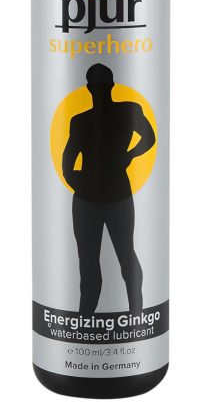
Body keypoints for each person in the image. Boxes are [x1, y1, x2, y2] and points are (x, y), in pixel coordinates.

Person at [62, 63, 156, 314]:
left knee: (110, 261)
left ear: (88, 88)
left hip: (108, 196)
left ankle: (126, 316)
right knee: (104, 262)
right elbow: (149, 137)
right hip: (101, 196)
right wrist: (128, 155)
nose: (99, 90)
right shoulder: (115, 113)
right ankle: (96, 319)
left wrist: (81, 181)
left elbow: (67, 165)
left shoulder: (86, 120)